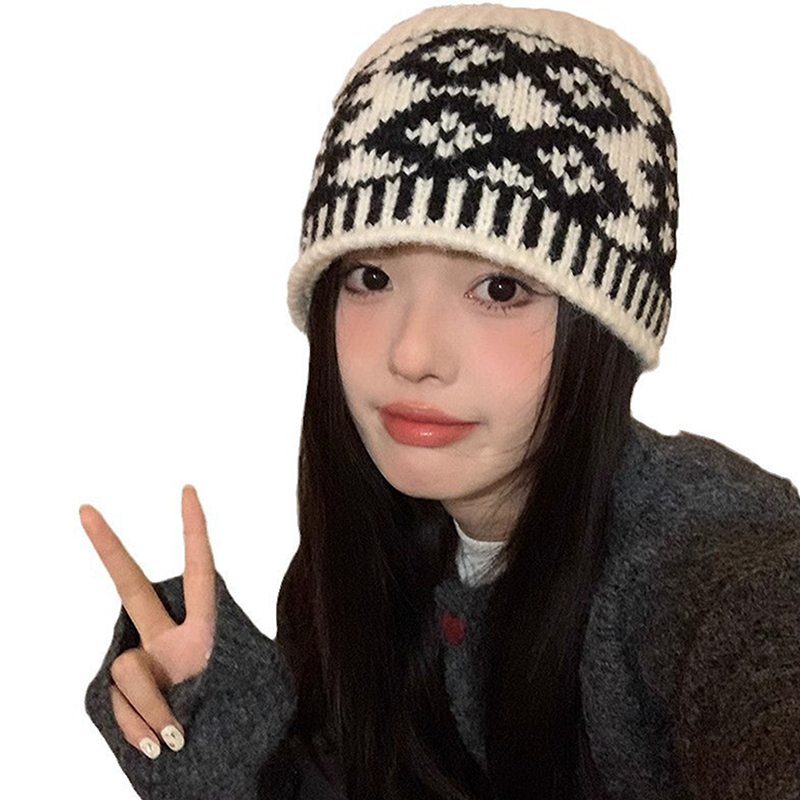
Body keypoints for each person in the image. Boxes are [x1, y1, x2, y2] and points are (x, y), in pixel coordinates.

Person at [80, 3, 800, 799]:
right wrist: (232, 748)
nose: (412, 354)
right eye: (372, 277)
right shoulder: (359, 566)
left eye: (500, 289)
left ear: (604, 330)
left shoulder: (703, 559)